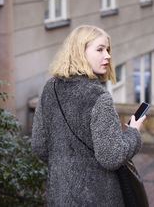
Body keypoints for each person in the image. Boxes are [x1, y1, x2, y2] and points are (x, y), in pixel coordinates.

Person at [32, 25, 147, 206]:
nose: (108, 55)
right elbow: (112, 157)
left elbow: (39, 146)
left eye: (107, 50)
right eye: (100, 49)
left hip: (59, 196)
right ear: (79, 52)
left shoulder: (50, 88)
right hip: (98, 198)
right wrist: (133, 132)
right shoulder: (99, 98)